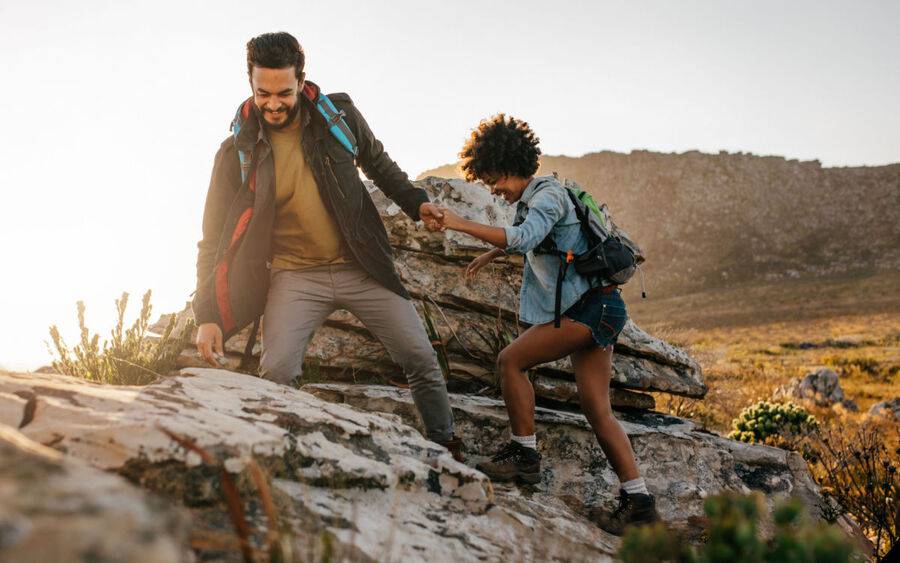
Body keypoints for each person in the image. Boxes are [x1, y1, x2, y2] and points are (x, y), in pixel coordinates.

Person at [191, 32, 463, 460]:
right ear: (250, 84)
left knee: (419, 356)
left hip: (360, 265)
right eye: (263, 93)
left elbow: (379, 164)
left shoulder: (339, 117)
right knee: (277, 370)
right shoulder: (234, 152)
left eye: (284, 92)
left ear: (301, 81)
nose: (274, 103)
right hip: (293, 275)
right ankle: (275, 456)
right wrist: (207, 314)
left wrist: (418, 204)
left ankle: (446, 444)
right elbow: (212, 239)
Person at [433, 114, 659, 534]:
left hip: (589, 310)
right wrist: (489, 255)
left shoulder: (548, 195)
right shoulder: (537, 197)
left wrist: (460, 223)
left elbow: (523, 236)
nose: (493, 189)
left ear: (510, 164)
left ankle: (525, 456)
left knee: (510, 362)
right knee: (597, 410)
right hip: (601, 308)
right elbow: (534, 236)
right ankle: (640, 501)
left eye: (493, 179)